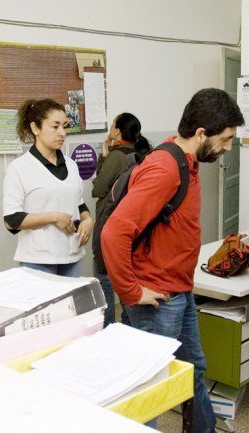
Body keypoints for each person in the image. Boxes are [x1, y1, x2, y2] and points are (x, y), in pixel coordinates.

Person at [101, 88, 244, 432]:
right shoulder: (165, 168)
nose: (227, 148)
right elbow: (114, 233)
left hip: (179, 291)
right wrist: (133, 293)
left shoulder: (186, 162)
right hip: (156, 299)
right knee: (152, 387)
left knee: (192, 369)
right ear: (200, 134)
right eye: (225, 140)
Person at [3, 99, 93, 277]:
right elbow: (11, 220)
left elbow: (79, 204)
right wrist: (53, 217)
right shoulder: (19, 168)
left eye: (64, 126)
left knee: (71, 306)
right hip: (38, 259)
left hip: (72, 255)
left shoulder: (71, 165)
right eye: (55, 126)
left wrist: (88, 220)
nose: (62, 133)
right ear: (35, 128)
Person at [91, 112, 151, 325]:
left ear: (116, 130)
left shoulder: (117, 156)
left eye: (112, 126)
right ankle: (129, 329)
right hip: (133, 230)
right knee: (128, 284)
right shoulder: (142, 153)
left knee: (104, 281)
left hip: (109, 225)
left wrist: (105, 157)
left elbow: (97, 189)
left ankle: (106, 330)